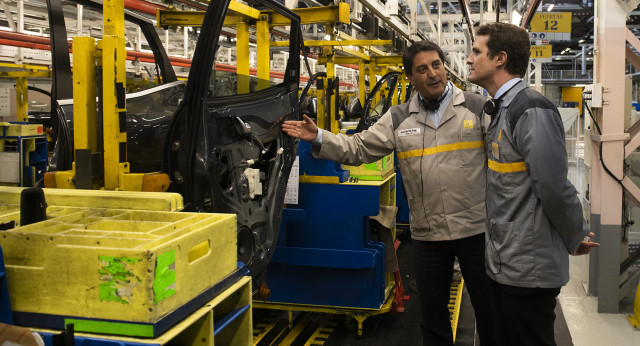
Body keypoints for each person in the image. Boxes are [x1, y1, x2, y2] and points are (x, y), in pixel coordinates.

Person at [283, 40, 493, 346]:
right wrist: (319, 137)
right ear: (412, 78)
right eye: (422, 69)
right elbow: (359, 148)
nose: (432, 73)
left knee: (490, 312)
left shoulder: (477, 107)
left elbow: (504, 165)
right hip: (428, 234)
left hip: (476, 231)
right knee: (433, 317)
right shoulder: (398, 118)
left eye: (436, 65)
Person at [466, 22, 600, 346]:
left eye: (475, 51)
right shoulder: (500, 108)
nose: (469, 59)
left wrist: (575, 234)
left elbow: (553, 187)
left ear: (499, 58)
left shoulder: (530, 109)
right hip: (505, 261)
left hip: (528, 268)